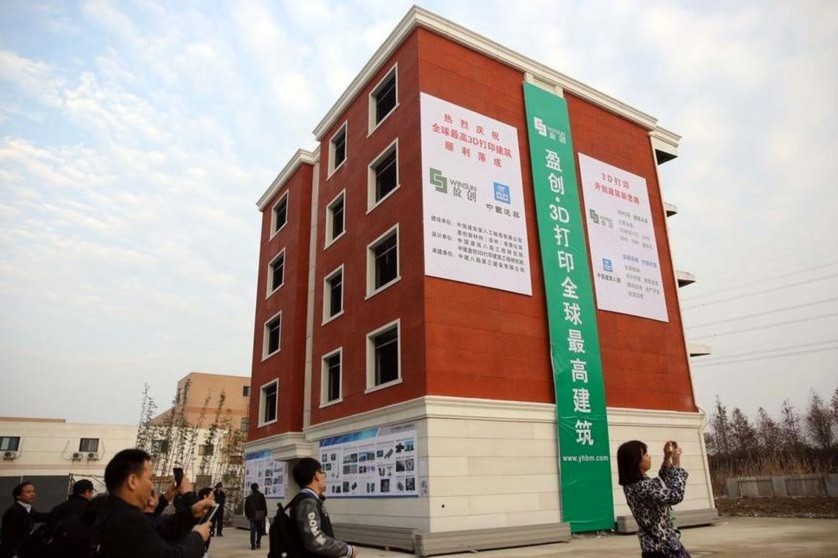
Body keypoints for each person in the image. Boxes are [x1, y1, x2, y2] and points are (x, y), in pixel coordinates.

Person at [95, 448, 213, 558]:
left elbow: (161, 527)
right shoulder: (127, 520)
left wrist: (191, 513)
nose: (152, 486)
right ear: (132, 481)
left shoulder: (108, 511)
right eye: (150, 479)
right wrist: (198, 537)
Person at [617, 440, 690, 558]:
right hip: (661, 548)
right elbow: (675, 495)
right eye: (645, 455)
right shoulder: (641, 486)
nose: (649, 457)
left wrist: (667, 458)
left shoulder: (636, 484)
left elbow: (663, 483)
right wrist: (676, 463)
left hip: (658, 546)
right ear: (635, 461)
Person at [289, 457, 357, 558]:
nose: (324, 477)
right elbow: (315, 539)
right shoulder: (307, 503)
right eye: (323, 473)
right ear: (316, 475)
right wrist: (346, 550)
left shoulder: (311, 500)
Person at [0, 481, 49, 558]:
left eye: (33, 491)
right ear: (18, 496)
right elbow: (8, 536)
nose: (32, 494)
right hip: (14, 553)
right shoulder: (13, 511)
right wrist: (12, 554)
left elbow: (42, 516)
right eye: (28, 492)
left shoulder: (29, 509)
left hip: (24, 551)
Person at [243, 483, 267, 551]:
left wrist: (248, 516)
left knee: (253, 531)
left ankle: (253, 545)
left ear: (251, 489)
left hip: (252, 516)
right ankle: (258, 543)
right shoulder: (261, 495)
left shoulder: (248, 497)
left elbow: (246, 508)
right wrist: (265, 514)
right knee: (259, 530)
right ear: (257, 488)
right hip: (260, 515)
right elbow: (264, 505)